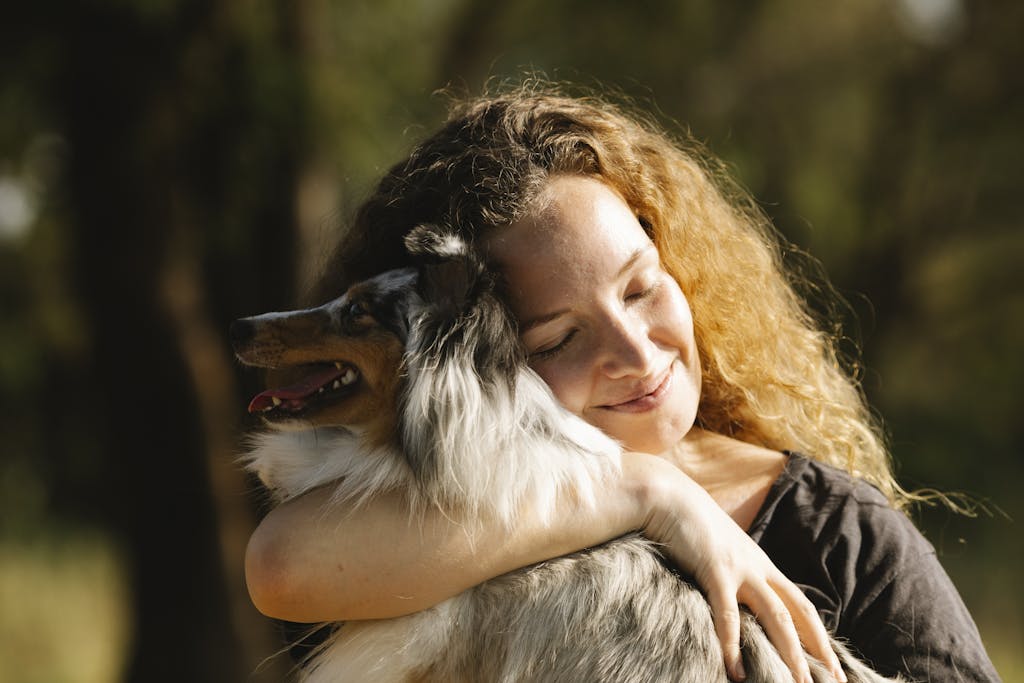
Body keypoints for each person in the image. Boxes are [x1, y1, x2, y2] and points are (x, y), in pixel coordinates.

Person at [243, 83, 1000, 682]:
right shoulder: (406, 535)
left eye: (640, 289)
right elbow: (284, 565)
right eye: (561, 337)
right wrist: (647, 492)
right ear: (471, 371)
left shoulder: (841, 535)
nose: (636, 352)